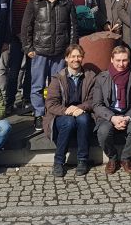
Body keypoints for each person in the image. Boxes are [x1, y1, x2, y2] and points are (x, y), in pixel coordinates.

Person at [21, 0, 77, 131]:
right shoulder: (35, 2)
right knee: (37, 85)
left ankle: (55, 112)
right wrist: (28, 48)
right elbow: (26, 27)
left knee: (58, 85)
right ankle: (39, 113)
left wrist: (72, 48)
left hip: (60, 52)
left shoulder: (67, 3)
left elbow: (73, 27)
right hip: (39, 52)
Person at [44, 45, 96, 177]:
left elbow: (93, 99)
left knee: (84, 119)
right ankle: (59, 161)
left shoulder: (90, 76)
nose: (76, 59)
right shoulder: (58, 78)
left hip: (82, 112)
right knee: (68, 122)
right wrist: (68, 110)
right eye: (72, 56)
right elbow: (51, 103)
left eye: (79, 56)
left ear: (82, 58)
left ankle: (83, 160)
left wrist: (80, 108)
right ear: (66, 58)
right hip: (62, 114)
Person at [93, 46, 131, 174]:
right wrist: (113, 118)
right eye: (118, 60)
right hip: (109, 114)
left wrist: (127, 117)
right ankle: (112, 157)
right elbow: (97, 104)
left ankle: (125, 158)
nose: (121, 64)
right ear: (112, 60)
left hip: (130, 113)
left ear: (129, 60)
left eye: (124, 60)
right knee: (103, 132)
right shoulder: (102, 78)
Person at [0, 0, 35, 114]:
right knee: (14, 71)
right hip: (17, 39)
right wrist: (18, 35)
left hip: (33, 41)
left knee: (31, 72)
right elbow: (13, 20)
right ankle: (9, 101)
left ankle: (26, 99)